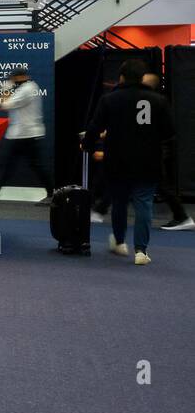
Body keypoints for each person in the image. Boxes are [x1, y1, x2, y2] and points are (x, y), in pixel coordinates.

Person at [83, 59, 177, 265]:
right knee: (144, 204)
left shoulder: (109, 99)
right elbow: (169, 132)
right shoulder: (158, 100)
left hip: (117, 160)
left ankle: (119, 242)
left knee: (119, 202)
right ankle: (141, 251)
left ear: (121, 77)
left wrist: (88, 146)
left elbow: (94, 127)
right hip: (148, 161)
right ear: (143, 78)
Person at [0, 64, 53, 204]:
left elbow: (3, 105)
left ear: (22, 77)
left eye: (15, 78)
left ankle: (51, 193)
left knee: (31, 165)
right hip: (24, 133)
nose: (13, 80)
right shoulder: (29, 87)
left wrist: (5, 89)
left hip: (25, 135)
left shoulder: (26, 90)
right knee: (13, 164)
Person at [141, 71, 193, 231]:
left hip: (155, 148)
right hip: (154, 147)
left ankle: (182, 217)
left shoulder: (153, 102)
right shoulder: (152, 101)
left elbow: (165, 129)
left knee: (161, 184)